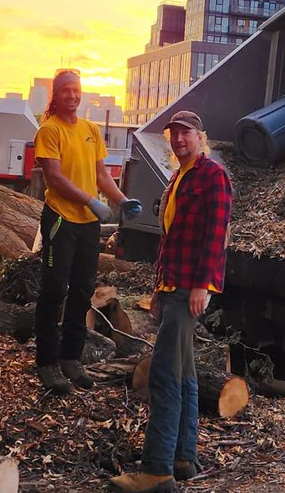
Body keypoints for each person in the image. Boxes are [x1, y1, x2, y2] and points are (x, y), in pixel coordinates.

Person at [110, 110, 233, 493]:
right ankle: (182, 458)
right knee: (183, 373)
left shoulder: (212, 175)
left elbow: (217, 233)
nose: (179, 139)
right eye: (174, 133)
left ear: (200, 136)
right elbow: (169, 241)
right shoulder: (179, 177)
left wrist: (203, 285)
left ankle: (156, 471)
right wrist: (158, 289)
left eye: (186, 133)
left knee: (163, 375)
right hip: (172, 287)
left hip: (190, 289)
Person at [34, 69, 141, 394]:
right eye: (65, 90)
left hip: (87, 224)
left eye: (76, 89)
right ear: (56, 95)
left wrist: (121, 200)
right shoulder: (49, 130)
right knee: (55, 290)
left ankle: (71, 358)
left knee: (82, 290)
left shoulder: (91, 130)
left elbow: (101, 175)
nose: (72, 95)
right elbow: (54, 178)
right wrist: (89, 201)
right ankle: (47, 363)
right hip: (61, 220)